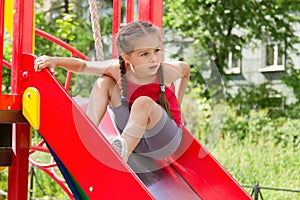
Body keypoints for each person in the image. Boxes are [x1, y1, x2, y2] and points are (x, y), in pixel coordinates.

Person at [34, 21, 190, 162]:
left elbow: (186, 70)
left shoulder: (166, 71)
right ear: (126, 57)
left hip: (164, 141)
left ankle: (121, 155)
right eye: (144, 54)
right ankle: (88, 133)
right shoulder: (119, 69)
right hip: (137, 140)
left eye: (157, 51)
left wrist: (178, 106)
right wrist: (56, 61)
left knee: (143, 102)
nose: (154, 59)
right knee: (105, 82)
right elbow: (83, 66)